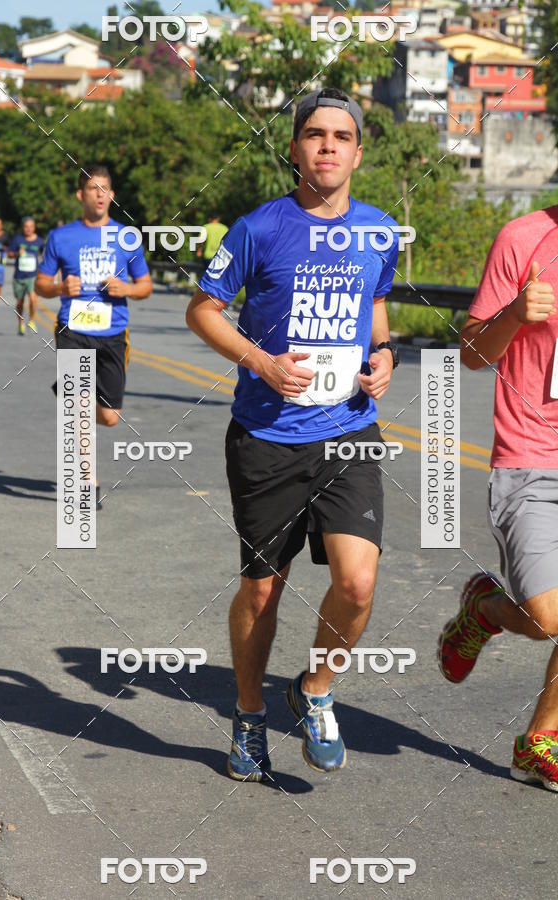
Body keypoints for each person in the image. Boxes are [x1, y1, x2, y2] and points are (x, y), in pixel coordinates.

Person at [186, 88, 401, 781]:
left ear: (359, 153)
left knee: (359, 584)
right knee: (261, 592)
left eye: (342, 136)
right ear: (294, 149)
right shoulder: (259, 228)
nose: (328, 146)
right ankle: (250, 715)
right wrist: (259, 360)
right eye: (315, 134)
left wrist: (385, 356)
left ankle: (313, 691)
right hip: (268, 438)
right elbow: (203, 310)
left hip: (349, 433)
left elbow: (375, 305)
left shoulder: (379, 230)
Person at [438, 204, 558, 792]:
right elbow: (472, 353)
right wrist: (515, 312)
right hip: (532, 454)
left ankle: (540, 741)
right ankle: (484, 610)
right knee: (547, 619)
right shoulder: (524, 238)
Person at [35, 165, 153, 509]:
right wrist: (59, 286)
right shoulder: (61, 237)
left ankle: (70, 393)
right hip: (72, 329)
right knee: (81, 409)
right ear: (81, 195)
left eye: (105, 188)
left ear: (112, 196)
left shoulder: (126, 237)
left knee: (110, 416)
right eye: (92, 188)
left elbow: (145, 285)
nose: (100, 194)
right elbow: (42, 285)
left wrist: (127, 287)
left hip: (113, 333)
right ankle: (88, 481)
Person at [8, 217, 44, 335]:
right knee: (20, 302)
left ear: (34, 227)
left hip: (33, 276)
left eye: (31, 226)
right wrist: (18, 253)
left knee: (33, 299)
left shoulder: (39, 241)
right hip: (19, 276)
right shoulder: (18, 240)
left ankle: (32, 320)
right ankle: (20, 322)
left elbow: (45, 255)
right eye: (26, 227)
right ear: (22, 227)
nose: (28, 229)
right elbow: (9, 254)